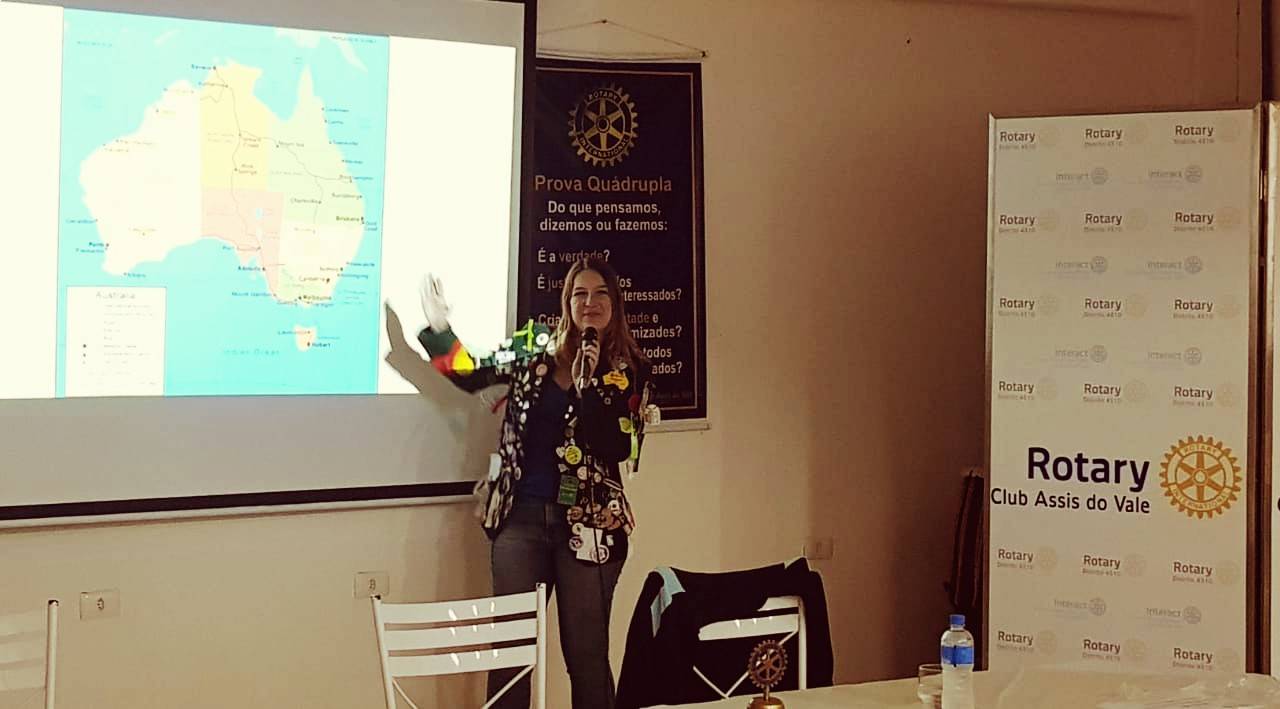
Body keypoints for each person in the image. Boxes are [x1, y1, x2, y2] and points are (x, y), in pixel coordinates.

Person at [417, 257, 653, 709]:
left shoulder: (630, 370)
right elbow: (473, 374)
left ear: (615, 304)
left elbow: (617, 447)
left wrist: (588, 384)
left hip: (590, 530)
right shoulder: (534, 350)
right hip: (520, 520)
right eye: (579, 294)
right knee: (510, 657)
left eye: (600, 293)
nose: (589, 302)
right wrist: (440, 329)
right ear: (566, 302)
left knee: (586, 658)